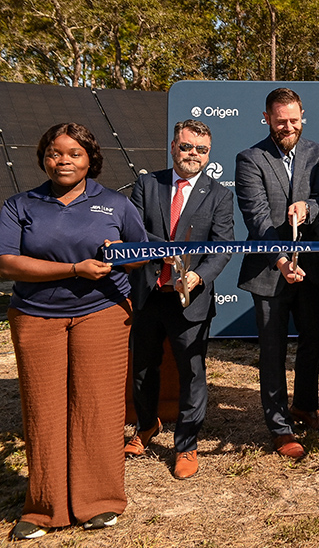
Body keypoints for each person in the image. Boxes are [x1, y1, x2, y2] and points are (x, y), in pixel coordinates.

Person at [0, 123, 147, 540]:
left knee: (98, 406)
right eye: (54, 152)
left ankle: (99, 501)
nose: (63, 160)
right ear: (44, 158)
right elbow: (6, 263)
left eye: (73, 153)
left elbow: (139, 255)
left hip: (102, 313)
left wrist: (125, 255)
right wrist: (73, 269)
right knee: (43, 409)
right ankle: (45, 507)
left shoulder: (116, 205)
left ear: (90, 159)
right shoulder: (20, 205)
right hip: (35, 316)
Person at [125, 119, 234, 479]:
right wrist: (168, 252)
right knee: (143, 368)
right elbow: (134, 233)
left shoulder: (219, 194)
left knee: (192, 372)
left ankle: (186, 445)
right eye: (187, 147)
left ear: (208, 154)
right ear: (174, 147)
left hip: (191, 296)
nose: (193, 155)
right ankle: (146, 426)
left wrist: (199, 274)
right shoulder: (147, 184)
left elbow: (222, 247)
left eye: (201, 149)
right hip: (149, 292)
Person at [235, 87, 319, 460]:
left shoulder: (318, 152)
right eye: (281, 122)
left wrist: (307, 209)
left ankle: (305, 407)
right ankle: (280, 428)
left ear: (302, 115)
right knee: (273, 350)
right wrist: (280, 258)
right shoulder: (250, 159)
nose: (288, 127)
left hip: (310, 266)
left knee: (315, 337)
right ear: (267, 119)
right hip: (269, 269)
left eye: (294, 120)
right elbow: (257, 217)